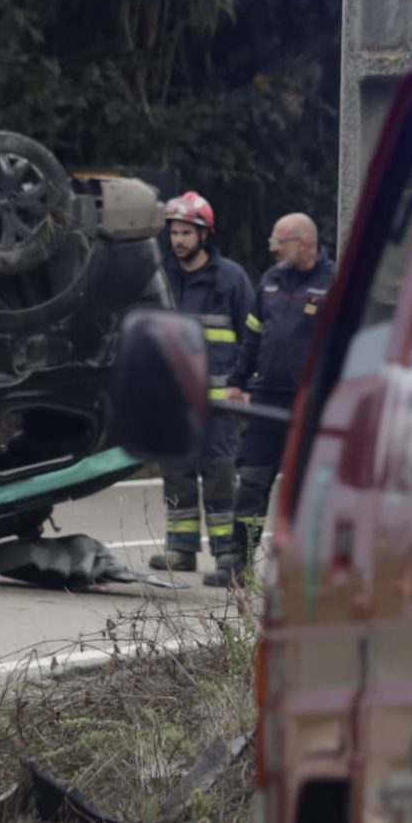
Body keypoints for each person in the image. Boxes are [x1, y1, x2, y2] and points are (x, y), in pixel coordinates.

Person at [219, 212, 335, 587]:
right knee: (251, 481)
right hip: (266, 399)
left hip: (310, 403)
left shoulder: (333, 283)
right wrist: (237, 381)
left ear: (303, 243)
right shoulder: (269, 281)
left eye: (278, 241)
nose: (271, 247)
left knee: (308, 488)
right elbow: (252, 336)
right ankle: (237, 564)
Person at [147, 191, 257, 577]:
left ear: (204, 235)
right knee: (176, 473)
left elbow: (252, 335)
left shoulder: (231, 279)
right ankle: (181, 549)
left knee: (219, 475)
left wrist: (245, 386)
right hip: (175, 401)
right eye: (174, 233)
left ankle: (228, 554)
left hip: (219, 402)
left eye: (186, 233)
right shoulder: (161, 277)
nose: (178, 240)